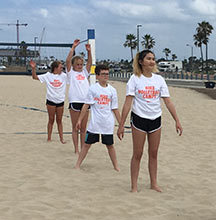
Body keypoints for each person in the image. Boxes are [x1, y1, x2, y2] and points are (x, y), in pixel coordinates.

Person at [117, 50, 183, 192]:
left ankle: (154, 183)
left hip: (155, 119)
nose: (152, 61)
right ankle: (134, 186)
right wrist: (121, 124)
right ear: (141, 62)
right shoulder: (134, 79)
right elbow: (127, 103)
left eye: (153, 59)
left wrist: (177, 120)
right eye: (148, 59)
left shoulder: (159, 80)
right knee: (138, 153)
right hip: (139, 118)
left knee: (153, 153)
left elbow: (168, 101)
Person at [75, 63, 122, 170]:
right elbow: (86, 105)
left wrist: (121, 124)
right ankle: (78, 164)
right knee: (86, 144)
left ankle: (116, 166)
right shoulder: (93, 89)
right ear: (97, 76)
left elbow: (115, 109)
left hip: (107, 123)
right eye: (103, 74)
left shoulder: (112, 90)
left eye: (107, 74)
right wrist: (79, 120)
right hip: (95, 123)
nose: (105, 76)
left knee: (110, 146)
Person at [30, 59, 68, 143]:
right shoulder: (48, 75)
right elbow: (34, 77)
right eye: (60, 67)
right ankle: (49, 138)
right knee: (51, 120)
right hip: (51, 101)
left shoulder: (64, 76)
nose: (61, 68)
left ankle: (61, 138)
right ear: (55, 68)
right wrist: (33, 68)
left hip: (60, 101)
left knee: (59, 120)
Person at [66, 40, 93, 153]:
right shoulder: (70, 72)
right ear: (73, 65)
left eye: (81, 64)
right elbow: (67, 61)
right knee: (75, 127)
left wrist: (89, 52)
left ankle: (83, 148)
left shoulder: (84, 72)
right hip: (75, 101)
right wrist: (73, 48)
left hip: (85, 102)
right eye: (77, 64)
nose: (79, 66)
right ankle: (76, 149)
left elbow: (90, 63)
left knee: (83, 128)